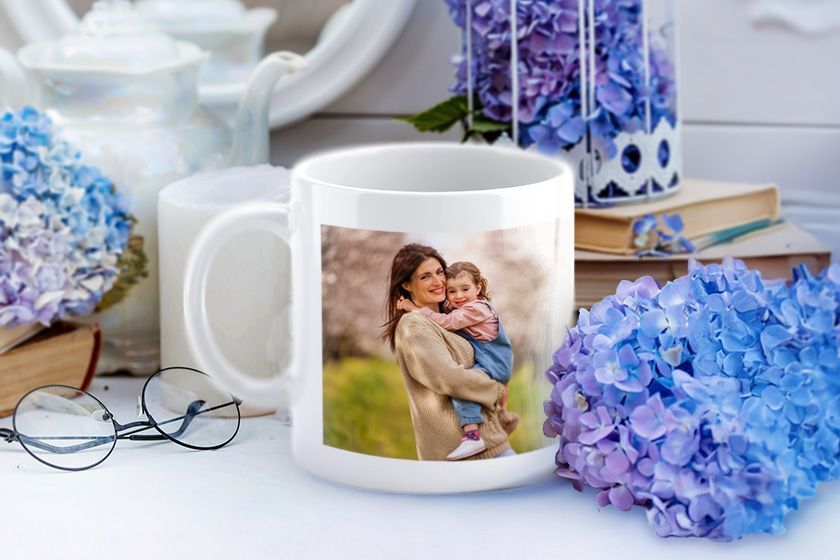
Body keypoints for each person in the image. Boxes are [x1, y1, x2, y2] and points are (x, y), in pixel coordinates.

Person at [382, 244, 514, 461]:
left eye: (439, 272)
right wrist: (497, 390)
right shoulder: (415, 325)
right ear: (406, 284)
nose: (438, 282)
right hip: (463, 456)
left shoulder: (454, 316)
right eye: (425, 277)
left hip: (489, 446)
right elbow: (450, 379)